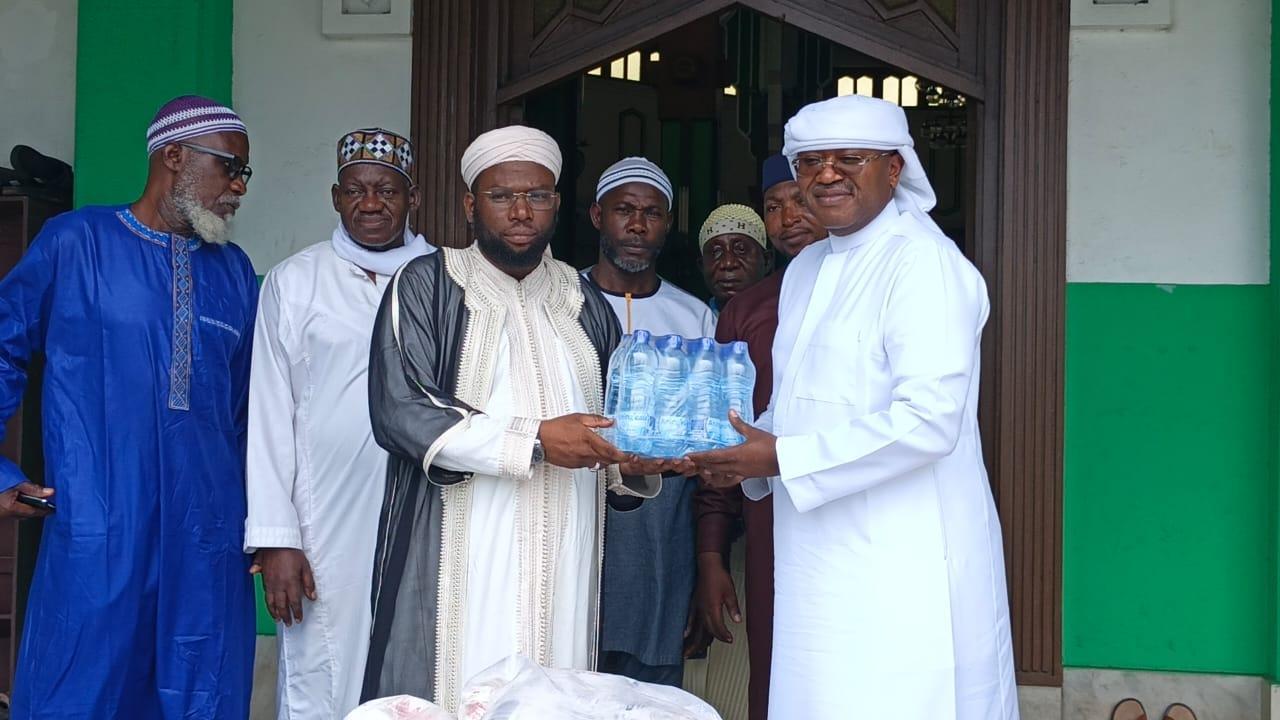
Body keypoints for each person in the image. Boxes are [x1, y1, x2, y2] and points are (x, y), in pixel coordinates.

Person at [686, 95, 1019, 719]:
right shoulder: (809, 267)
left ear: (894, 169)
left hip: (905, 551)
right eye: (810, 162)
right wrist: (735, 452)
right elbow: (795, 404)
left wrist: (780, 458)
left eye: (849, 159)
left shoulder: (924, 263)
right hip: (814, 550)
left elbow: (930, 421)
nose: (827, 175)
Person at [360, 126, 669, 712]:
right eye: (501, 196)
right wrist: (537, 441)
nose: (521, 212)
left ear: (557, 203)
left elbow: (614, 423)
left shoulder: (584, 301)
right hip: (463, 542)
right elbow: (401, 409)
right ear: (470, 205)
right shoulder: (428, 284)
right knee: (461, 685)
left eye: (537, 196)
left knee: (558, 687)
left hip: (569, 543)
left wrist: (635, 459)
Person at [0, 95, 259, 718]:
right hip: (101, 520)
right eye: (230, 168)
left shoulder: (234, 271)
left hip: (207, 532)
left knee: (201, 692)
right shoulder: (76, 241)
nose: (239, 187)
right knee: (82, 688)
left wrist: (266, 523)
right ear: (173, 156)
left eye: (245, 173)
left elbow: (254, 410)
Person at [245, 128, 435, 719]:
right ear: (335, 197)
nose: (370, 204)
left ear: (413, 198)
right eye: (355, 190)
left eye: (387, 191)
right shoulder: (294, 280)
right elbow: (268, 412)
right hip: (322, 522)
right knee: (321, 674)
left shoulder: (446, 279)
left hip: (426, 511)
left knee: (419, 671)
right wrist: (278, 538)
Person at [689, 154, 827, 720]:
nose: (789, 217)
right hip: (773, 525)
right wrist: (711, 554)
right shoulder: (747, 310)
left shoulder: (879, 290)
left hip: (863, 512)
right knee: (777, 671)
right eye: (774, 206)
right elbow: (722, 437)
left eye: (802, 200)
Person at [580, 157, 717, 687]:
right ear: (598, 216)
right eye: (624, 210)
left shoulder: (694, 317)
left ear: (667, 224)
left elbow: (709, 428)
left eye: (652, 213)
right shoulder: (559, 301)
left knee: (649, 684)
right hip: (576, 510)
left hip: (661, 525)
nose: (637, 225)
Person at [697, 204, 768, 313]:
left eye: (741, 249)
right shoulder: (691, 321)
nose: (728, 263)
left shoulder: (786, 318)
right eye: (716, 251)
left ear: (766, 261)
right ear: (702, 266)